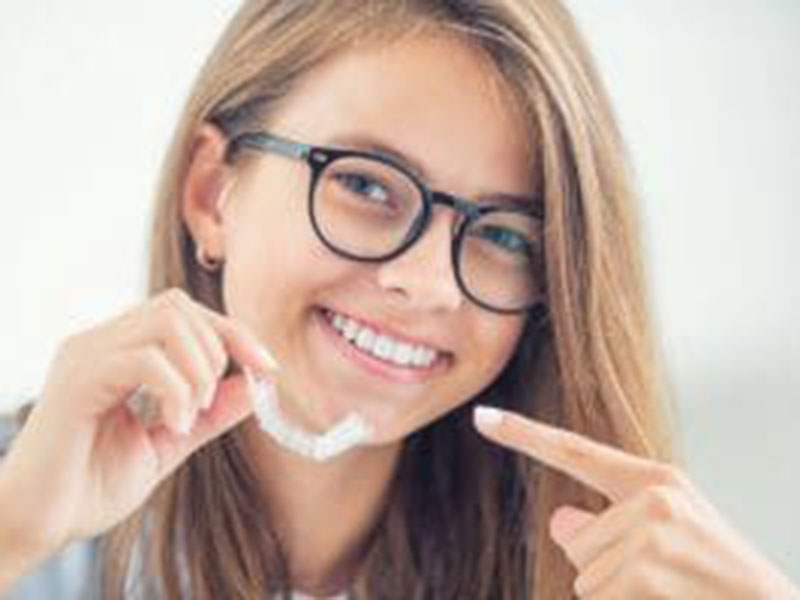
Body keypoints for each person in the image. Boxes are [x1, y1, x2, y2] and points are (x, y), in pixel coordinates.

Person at [0, 1, 797, 598]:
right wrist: (13, 532)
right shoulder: (32, 517)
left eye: (505, 235)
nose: (427, 281)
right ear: (213, 194)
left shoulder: (598, 571)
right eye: (364, 186)